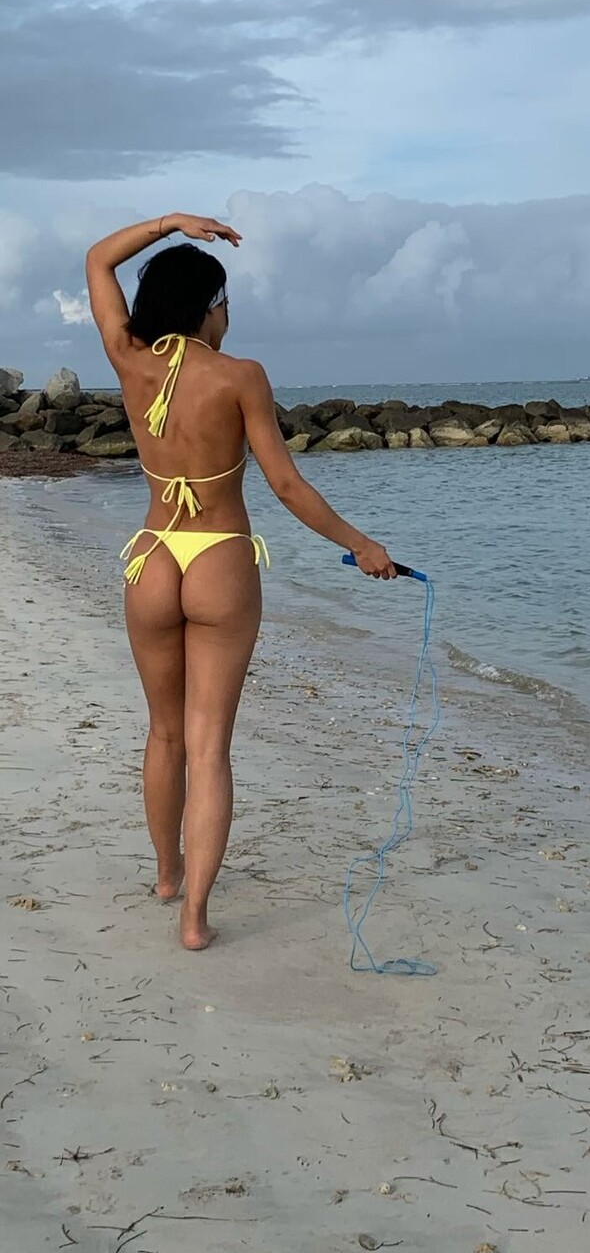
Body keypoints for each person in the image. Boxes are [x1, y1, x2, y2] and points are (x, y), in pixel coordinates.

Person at [85, 211, 396, 951]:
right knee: (209, 748)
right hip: (219, 558)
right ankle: (195, 919)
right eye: (225, 303)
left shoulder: (129, 358)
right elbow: (286, 485)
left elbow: (98, 260)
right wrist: (360, 545)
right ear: (207, 307)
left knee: (163, 733)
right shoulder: (241, 376)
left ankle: (168, 876)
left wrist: (170, 225)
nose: (228, 317)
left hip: (152, 558)